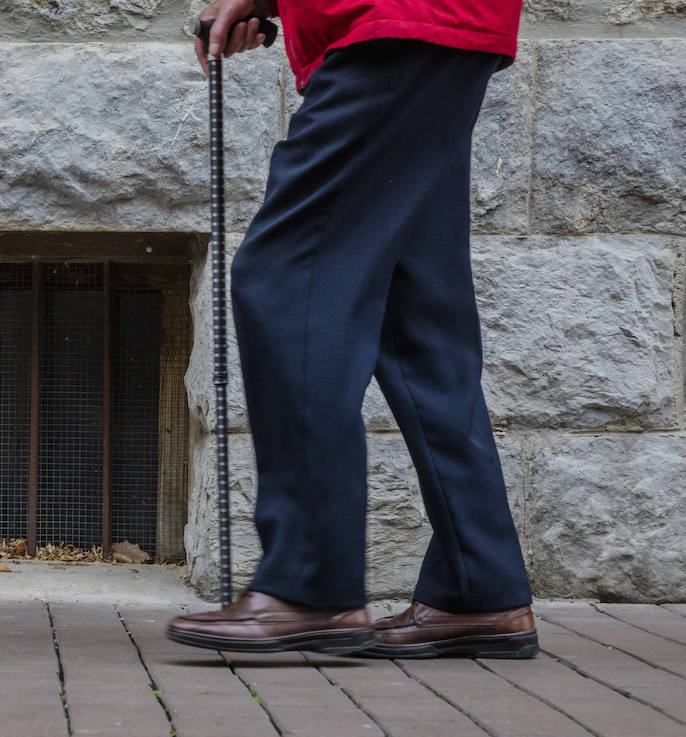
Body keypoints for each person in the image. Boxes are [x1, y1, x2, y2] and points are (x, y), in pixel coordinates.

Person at [166, 0, 539, 659]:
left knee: (286, 275)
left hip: (394, 20)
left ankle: (311, 586)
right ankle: (479, 588)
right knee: (417, 315)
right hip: (436, 23)